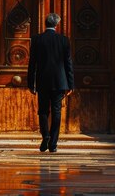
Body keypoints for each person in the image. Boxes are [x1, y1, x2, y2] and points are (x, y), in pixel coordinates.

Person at [27, 13, 74, 152]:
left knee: (42, 111)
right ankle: (53, 143)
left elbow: (32, 64)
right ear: (57, 24)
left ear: (45, 23)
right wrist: (71, 84)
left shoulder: (37, 39)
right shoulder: (64, 40)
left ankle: (45, 136)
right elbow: (68, 64)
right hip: (60, 82)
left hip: (42, 82)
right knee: (56, 111)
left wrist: (31, 83)